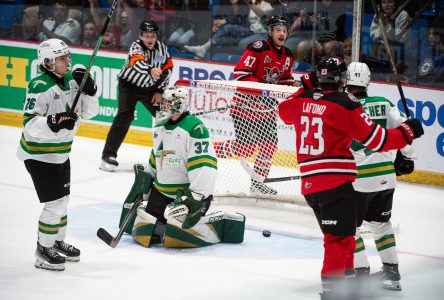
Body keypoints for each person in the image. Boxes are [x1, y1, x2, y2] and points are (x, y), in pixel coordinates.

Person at [278, 57, 424, 298]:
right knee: (339, 243)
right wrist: (408, 133)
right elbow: (378, 141)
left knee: (344, 240)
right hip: (336, 185)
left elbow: (283, 111)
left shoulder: (302, 99)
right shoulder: (345, 104)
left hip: (310, 187)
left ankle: (347, 287)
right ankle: (333, 294)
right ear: (341, 80)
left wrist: (305, 84)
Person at [118, 86, 245, 248]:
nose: (162, 106)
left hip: (186, 195)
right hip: (161, 193)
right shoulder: (159, 127)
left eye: (167, 103)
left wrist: (197, 197)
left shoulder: (194, 128)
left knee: (178, 237)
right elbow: (157, 155)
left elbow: (204, 166)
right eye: (163, 102)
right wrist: (146, 177)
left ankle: (217, 224)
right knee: (146, 232)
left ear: (178, 104)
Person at [17, 38, 99, 271]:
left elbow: (89, 113)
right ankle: (42, 250)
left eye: (67, 56)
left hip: (61, 154)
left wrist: (90, 91)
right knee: (54, 204)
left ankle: (56, 241)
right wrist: (52, 121)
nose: (68, 61)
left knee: (63, 202)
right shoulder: (39, 85)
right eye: (62, 58)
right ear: (48, 62)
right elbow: (29, 124)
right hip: (39, 155)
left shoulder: (71, 82)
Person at [346, 62, 415, 291]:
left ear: (346, 80)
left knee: (349, 228)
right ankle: (391, 271)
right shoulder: (384, 104)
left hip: (358, 180)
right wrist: (407, 157)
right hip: (386, 177)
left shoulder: (345, 106)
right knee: (381, 225)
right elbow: (407, 130)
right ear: (368, 81)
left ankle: (360, 272)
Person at [213, 15, 295, 195]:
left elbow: (286, 79)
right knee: (246, 148)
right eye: (278, 30)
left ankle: (258, 184)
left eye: (284, 30)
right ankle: (210, 150)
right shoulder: (257, 48)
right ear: (270, 32)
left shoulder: (288, 55)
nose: (282, 33)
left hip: (266, 110)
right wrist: (263, 90)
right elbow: (241, 74)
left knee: (269, 146)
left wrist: (294, 86)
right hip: (245, 107)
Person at [100, 20, 173, 171]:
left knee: (166, 116)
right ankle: (108, 156)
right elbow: (136, 63)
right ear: (141, 36)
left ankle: (171, 156)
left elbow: (168, 69)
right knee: (124, 116)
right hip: (129, 86)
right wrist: (150, 70)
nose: (150, 39)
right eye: (146, 35)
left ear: (156, 36)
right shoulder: (136, 46)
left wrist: (159, 90)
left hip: (150, 89)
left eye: (152, 35)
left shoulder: (162, 49)